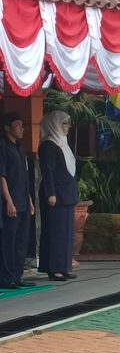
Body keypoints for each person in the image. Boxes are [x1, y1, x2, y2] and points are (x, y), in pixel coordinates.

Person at [37, 111, 78, 281]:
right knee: (55, 232)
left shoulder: (63, 144)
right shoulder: (48, 145)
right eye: (64, 124)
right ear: (55, 125)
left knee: (66, 232)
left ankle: (64, 265)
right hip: (55, 195)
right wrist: (51, 193)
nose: (68, 127)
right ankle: (53, 268)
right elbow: (48, 171)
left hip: (67, 194)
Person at [0, 113, 36, 289]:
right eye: (17, 125)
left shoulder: (20, 148)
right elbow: (2, 176)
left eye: (22, 125)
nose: (21, 129)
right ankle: (6, 278)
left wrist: (29, 200)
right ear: (7, 128)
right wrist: (9, 201)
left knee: (22, 241)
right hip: (11, 202)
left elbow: (25, 177)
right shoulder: (3, 147)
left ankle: (17, 275)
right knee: (9, 241)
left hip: (23, 201)